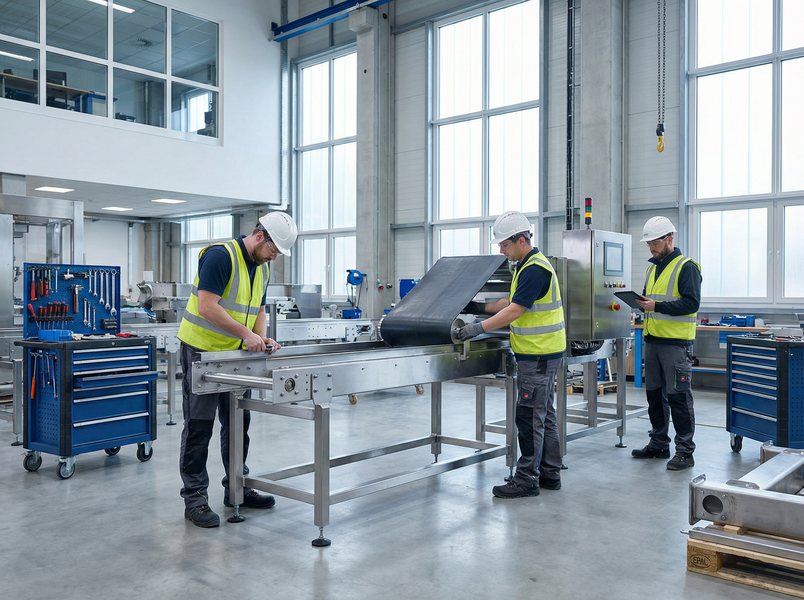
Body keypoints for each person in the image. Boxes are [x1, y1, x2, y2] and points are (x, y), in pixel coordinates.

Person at [177, 211, 298, 527]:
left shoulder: (262, 267)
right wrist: (247, 335)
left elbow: (257, 307)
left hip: (234, 357)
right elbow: (207, 306)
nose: (274, 257)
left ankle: (237, 489)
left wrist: (260, 337)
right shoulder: (220, 257)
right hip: (201, 354)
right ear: (260, 236)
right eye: (273, 250)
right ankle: (195, 499)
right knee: (199, 427)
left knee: (237, 422)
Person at [456, 211, 566, 498]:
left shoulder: (533, 270)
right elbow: (509, 302)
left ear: (520, 240)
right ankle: (550, 473)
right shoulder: (528, 265)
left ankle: (526, 479)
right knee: (545, 415)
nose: (501, 251)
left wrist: (474, 329)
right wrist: (479, 308)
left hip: (538, 355)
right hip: (544, 353)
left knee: (529, 417)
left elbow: (515, 312)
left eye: (504, 245)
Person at [632, 216, 701, 471]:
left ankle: (685, 451)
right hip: (652, 341)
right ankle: (659, 443)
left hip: (675, 345)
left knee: (679, 398)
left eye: (654, 243)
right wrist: (640, 303)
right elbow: (651, 300)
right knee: (654, 397)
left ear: (669, 239)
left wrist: (657, 305)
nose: (651, 248)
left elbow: (692, 303)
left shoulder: (687, 267)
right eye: (648, 244)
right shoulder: (652, 268)